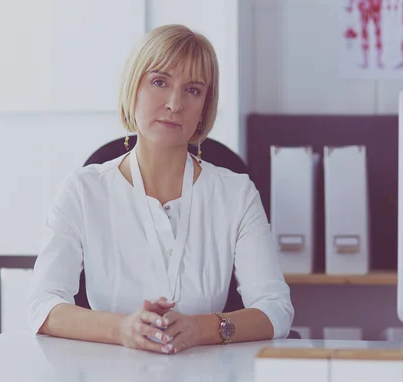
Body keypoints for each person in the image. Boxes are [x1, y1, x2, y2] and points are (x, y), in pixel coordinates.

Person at [27, 24, 294, 355]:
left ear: (203, 109)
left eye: (193, 90)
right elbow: (43, 305)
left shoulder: (236, 194)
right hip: (110, 379)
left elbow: (276, 309)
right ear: (133, 89)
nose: (174, 103)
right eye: (159, 82)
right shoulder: (82, 191)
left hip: (206, 380)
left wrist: (200, 328)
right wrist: (122, 329)